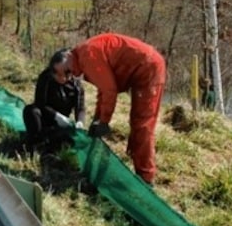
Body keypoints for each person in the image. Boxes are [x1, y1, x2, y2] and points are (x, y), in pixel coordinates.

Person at [52, 33, 166, 185]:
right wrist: (97, 119)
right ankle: (136, 159)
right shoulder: (83, 56)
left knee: (142, 124)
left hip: (149, 67)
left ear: (68, 55)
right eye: (66, 76)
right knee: (136, 121)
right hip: (141, 67)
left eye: (67, 71)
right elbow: (103, 87)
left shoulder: (88, 56)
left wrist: (104, 121)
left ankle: (146, 178)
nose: (70, 76)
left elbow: (109, 90)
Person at [23, 49, 86, 153]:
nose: (61, 78)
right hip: (43, 119)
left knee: (67, 140)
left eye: (65, 74)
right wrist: (56, 116)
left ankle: (51, 145)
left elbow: (80, 108)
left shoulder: (76, 85)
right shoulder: (45, 77)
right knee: (30, 110)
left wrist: (80, 122)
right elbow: (40, 103)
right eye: (57, 74)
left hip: (61, 125)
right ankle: (35, 144)